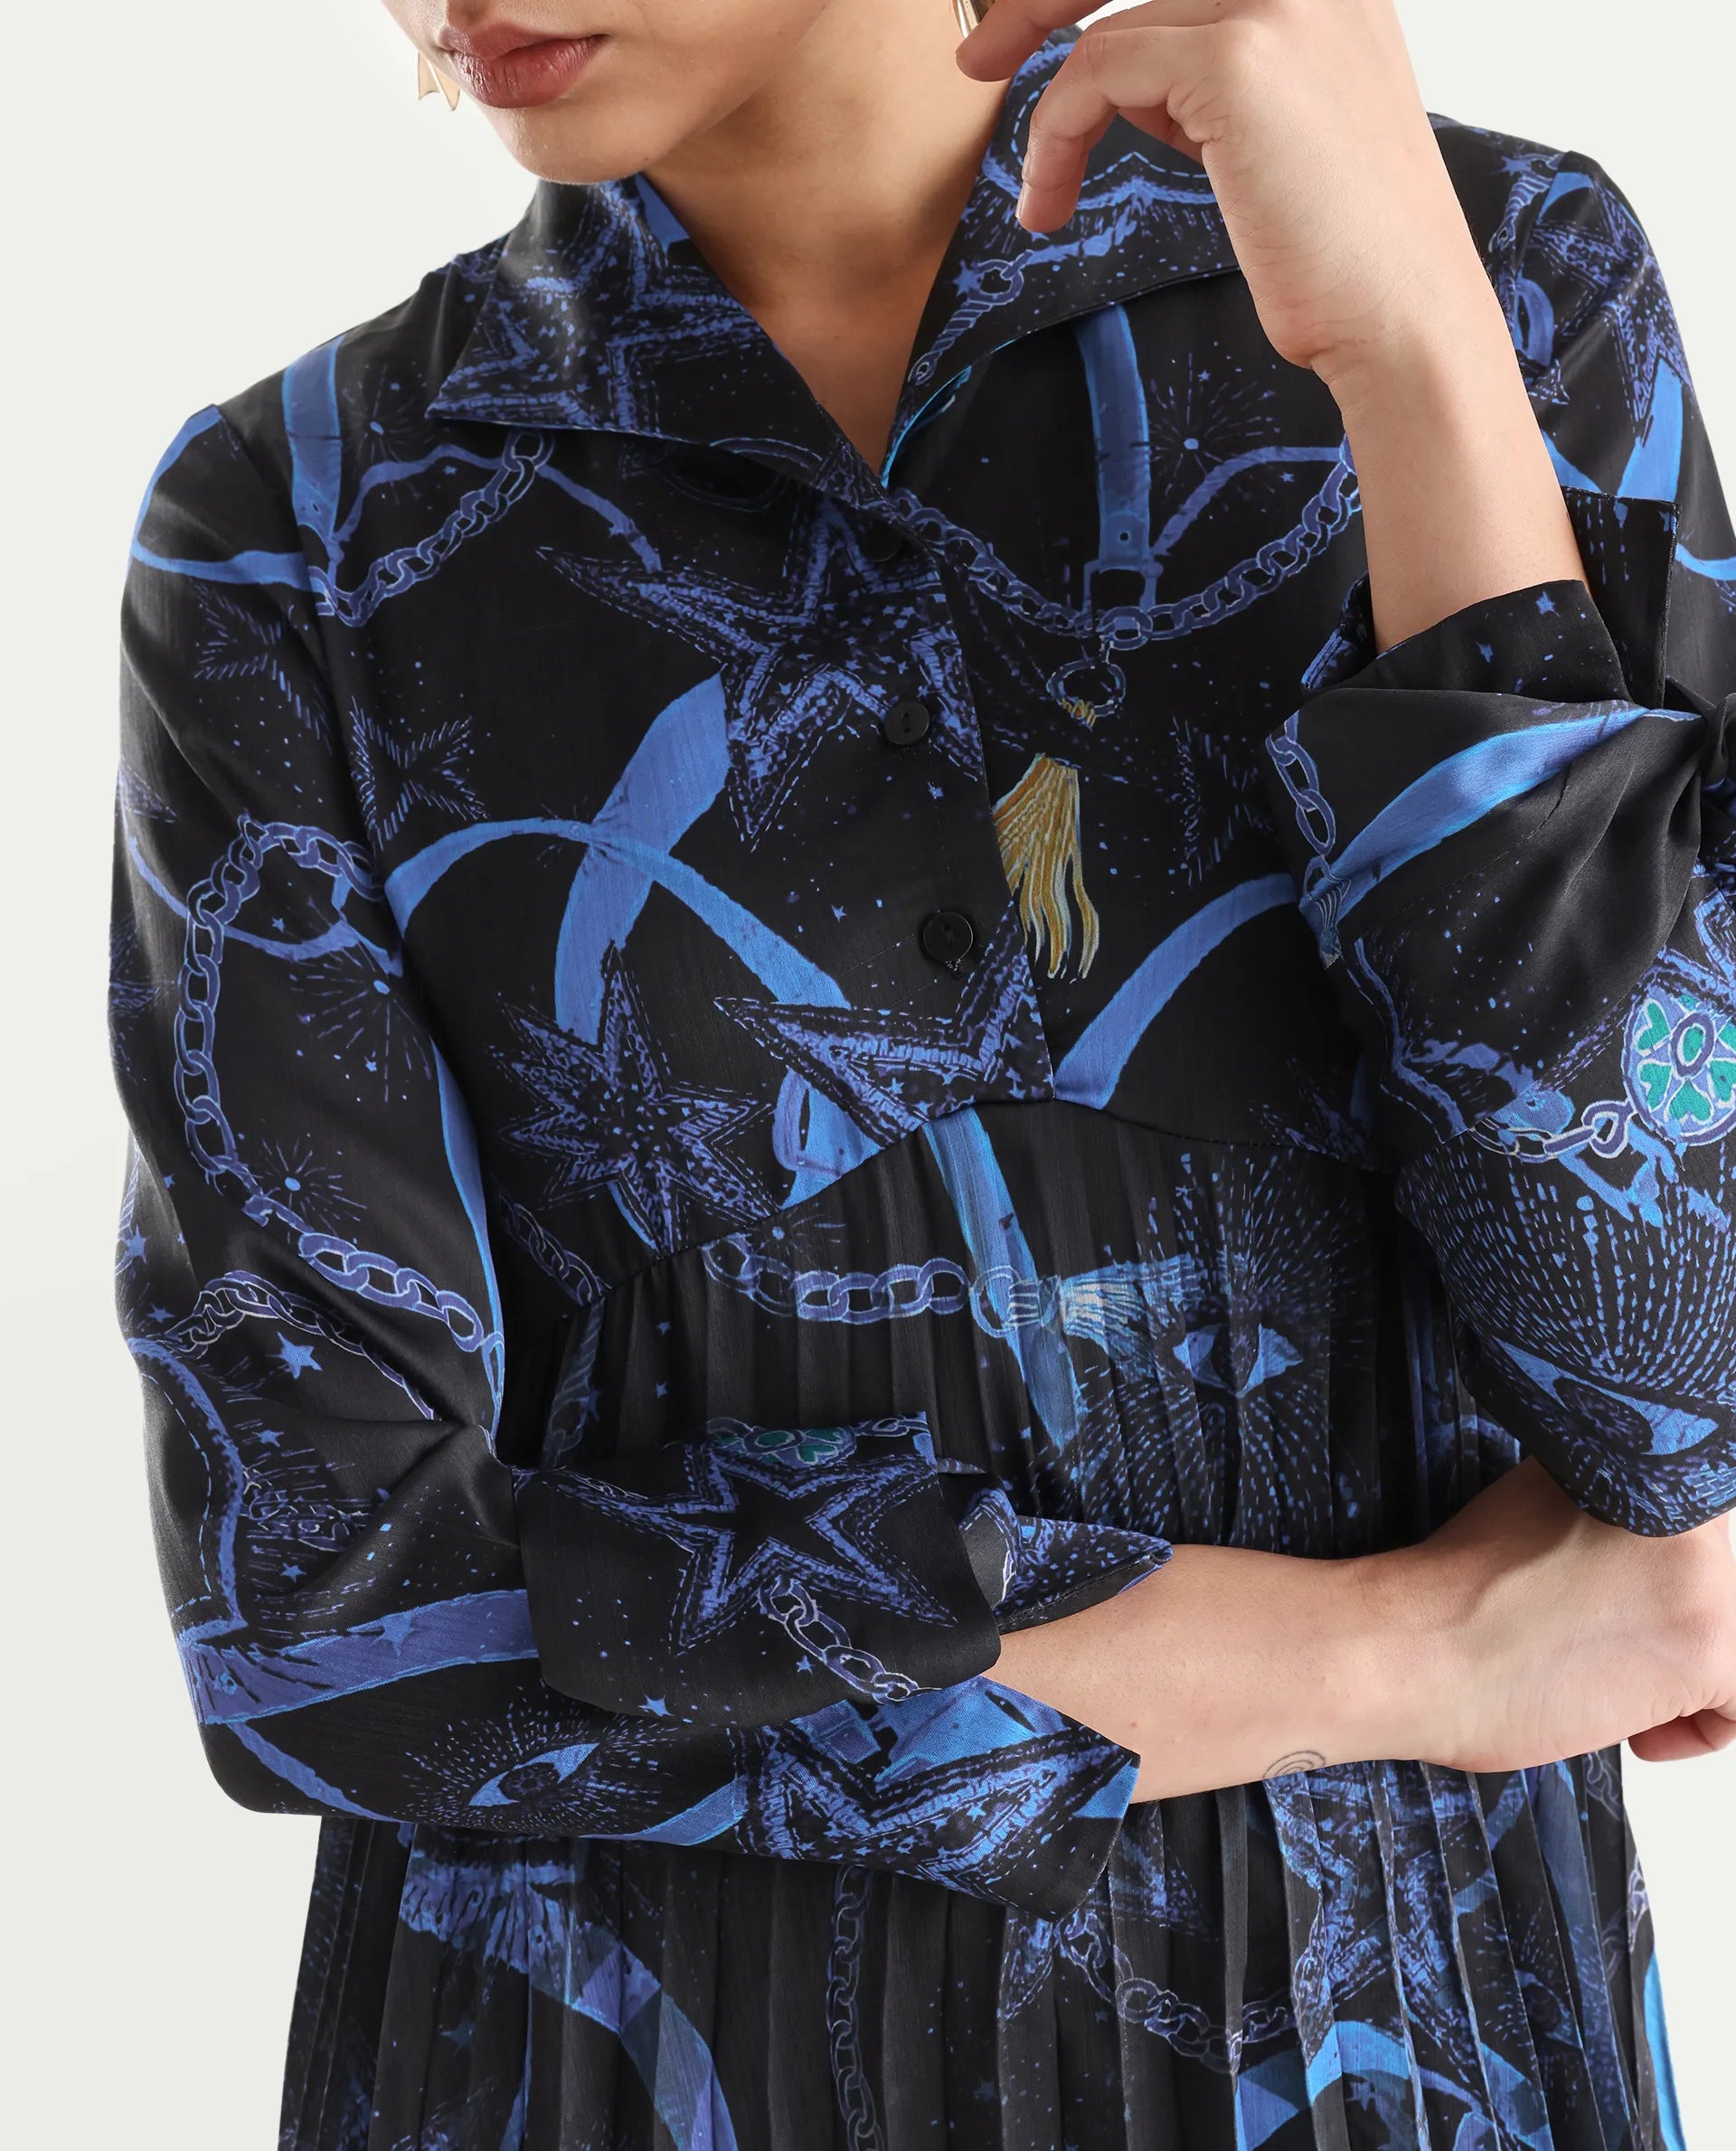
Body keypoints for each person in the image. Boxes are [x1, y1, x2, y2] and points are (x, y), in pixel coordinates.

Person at [108, 0, 1736, 2142]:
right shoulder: (308, 521)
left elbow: (1680, 1399)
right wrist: (1409, 1649)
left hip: (1410, 2067)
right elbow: (320, 1609)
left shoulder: (1505, 281)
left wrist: (1415, 359)